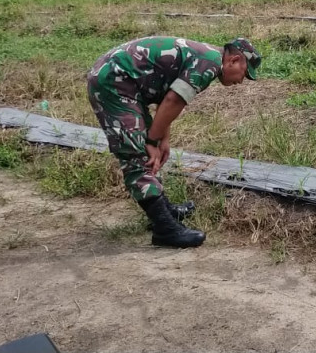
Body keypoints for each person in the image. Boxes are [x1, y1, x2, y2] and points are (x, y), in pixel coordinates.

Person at [86, 36, 261, 248]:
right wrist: (151, 140)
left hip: (122, 81)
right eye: (244, 73)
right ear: (233, 60)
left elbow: (167, 97)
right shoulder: (209, 64)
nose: (241, 81)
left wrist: (163, 139)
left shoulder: (206, 57)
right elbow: (173, 101)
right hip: (114, 82)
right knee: (137, 153)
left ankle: (165, 212)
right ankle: (165, 229)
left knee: (146, 148)